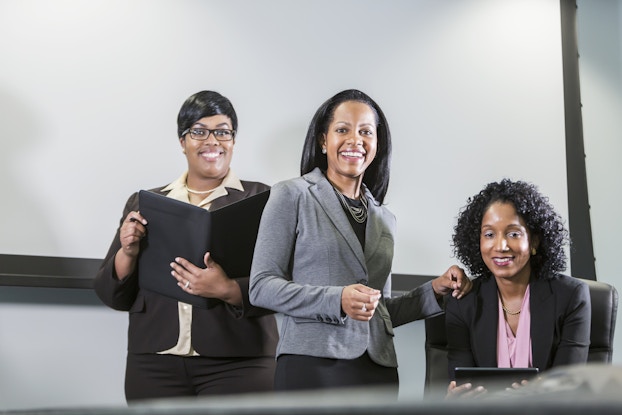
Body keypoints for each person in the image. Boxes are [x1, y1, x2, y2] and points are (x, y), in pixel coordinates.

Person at [248, 89, 471, 396]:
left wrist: (434, 292)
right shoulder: (292, 195)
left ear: (377, 145)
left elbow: (381, 309)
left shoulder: (385, 218)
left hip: (377, 369)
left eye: (366, 132)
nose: (355, 140)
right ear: (323, 141)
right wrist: (337, 299)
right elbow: (261, 287)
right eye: (343, 130)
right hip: (312, 364)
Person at [94, 90, 278, 401]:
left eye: (222, 131)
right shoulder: (146, 203)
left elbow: (286, 281)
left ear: (233, 140)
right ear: (183, 141)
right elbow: (112, 294)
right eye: (199, 131)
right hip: (154, 361)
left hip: (238, 361)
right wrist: (128, 252)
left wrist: (227, 289)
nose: (212, 141)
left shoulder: (263, 200)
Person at [445, 179, 591, 398]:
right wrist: (456, 400)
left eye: (513, 234)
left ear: (534, 242)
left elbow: (569, 387)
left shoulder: (570, 296)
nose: (501, 246)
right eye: (489, 234)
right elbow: (461, 385)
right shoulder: (463, 302)